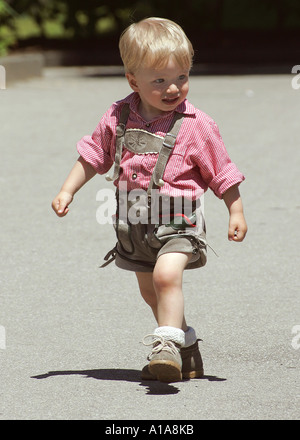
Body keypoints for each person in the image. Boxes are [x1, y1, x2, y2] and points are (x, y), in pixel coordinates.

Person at [52, 17, 247, 383]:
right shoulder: (118, 116)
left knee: (166, 276)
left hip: (178, 219)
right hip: (134, 222)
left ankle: (165, 345)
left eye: (182, 77)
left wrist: (235, 209)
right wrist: (67, 189)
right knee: (151, 291)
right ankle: (186, 349)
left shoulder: (196, 124)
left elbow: (221, 169)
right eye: (159, 80)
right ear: (133, 80)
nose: (173, 88)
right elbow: (94, 154)